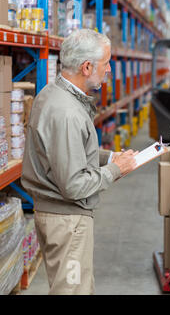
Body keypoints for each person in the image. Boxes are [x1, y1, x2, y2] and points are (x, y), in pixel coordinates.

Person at [21, 29, 138, 295]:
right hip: (67, 223)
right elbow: (73, 185)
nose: (109, 69)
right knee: (72, 291)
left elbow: (68, 152)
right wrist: (115, 171)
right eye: (105, 63)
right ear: (87, 67)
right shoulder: (67, 113)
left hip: (58, 218)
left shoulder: (54, 94)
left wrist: (110, 157)